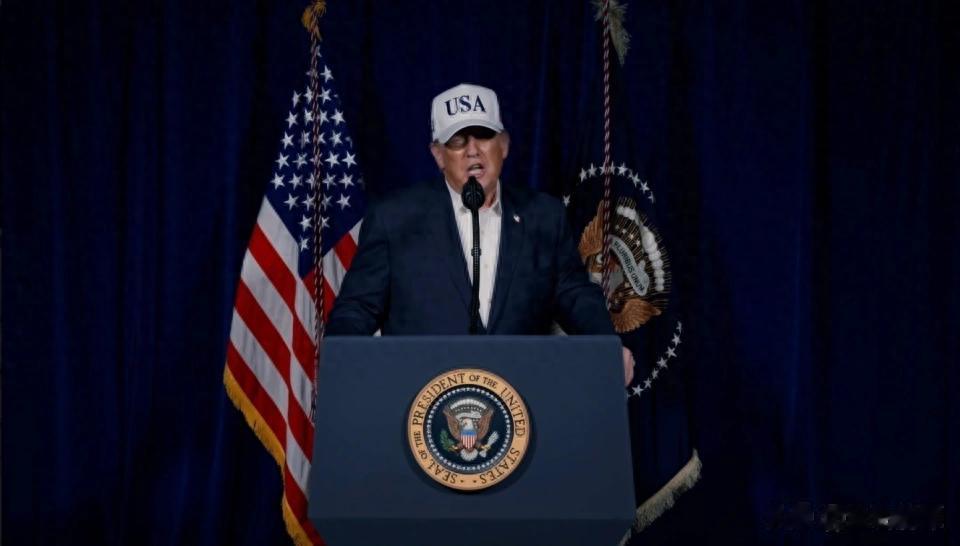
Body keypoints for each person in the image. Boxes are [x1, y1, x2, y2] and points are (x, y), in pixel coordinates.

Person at [325, 83, 634, 385]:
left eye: (484, 135)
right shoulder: (394, 218)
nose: (472, 151)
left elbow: (575, 295)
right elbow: (358, 308)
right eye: (457, 141)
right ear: (438, 155)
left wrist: (607, 346)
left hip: (520, 396)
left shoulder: (543, 216)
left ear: (504, 145)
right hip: (420, 398)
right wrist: (340, 359)